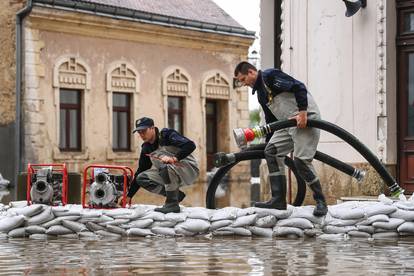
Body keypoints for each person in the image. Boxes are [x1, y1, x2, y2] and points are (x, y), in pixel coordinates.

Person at [234, 61, 328, 216]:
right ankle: (278, 200)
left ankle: (321, 201)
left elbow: (299, 87)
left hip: (304, 119)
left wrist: (303, 113)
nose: (244, 84)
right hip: (287, 124)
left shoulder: (270, 76)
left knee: (300, 161)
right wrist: (267, 143)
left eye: (243, 79)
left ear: (251, 72)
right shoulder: (261, 94)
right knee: (271, 151)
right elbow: (271, 122)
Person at [122, 117, 199, 213]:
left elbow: (190, 145)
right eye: (139, 132)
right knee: (142, 178)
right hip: (169, 172)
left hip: (188, 169)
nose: (142, 135)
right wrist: (129, 196)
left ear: (152, 128)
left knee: (164, 168)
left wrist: (174, 158)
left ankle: (172, 204)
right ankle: (176, 196)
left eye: (144, 131)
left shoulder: (167, 135)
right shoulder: (146, 148)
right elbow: (141, 170)